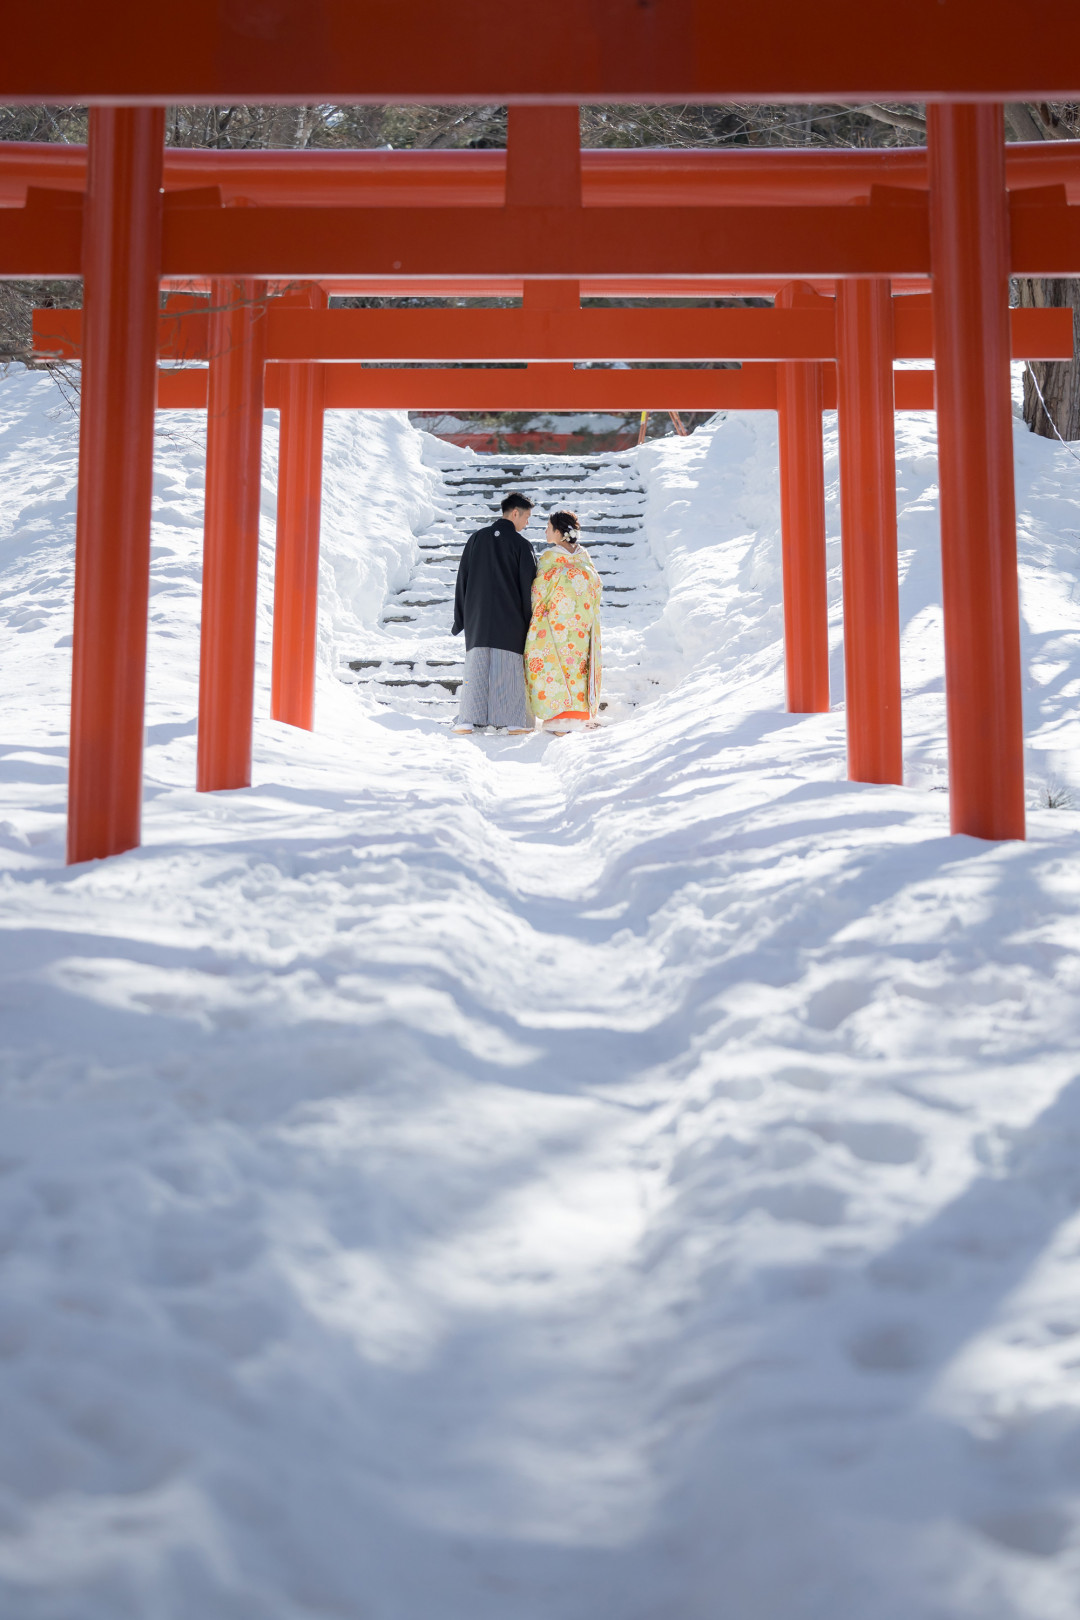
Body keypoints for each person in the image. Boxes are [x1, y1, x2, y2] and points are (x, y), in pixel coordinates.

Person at [451, 492, 537, 735]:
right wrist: (531, 621)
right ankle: (513, 722)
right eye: (527, 517)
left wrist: (461, 618)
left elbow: (462, 580)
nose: (527, 523)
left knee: (476, 667)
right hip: (510, 619)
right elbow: (528, 587)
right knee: (508, 669)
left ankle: (468, 720)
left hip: (477, 616)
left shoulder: (477, 538)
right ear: (515, 513)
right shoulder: (521, 545)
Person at [524, 510, 603, 733]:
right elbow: (595, 585)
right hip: (576, 625)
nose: (546, 531)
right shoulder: (583, 558)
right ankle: (572, 718)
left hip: (558, 623)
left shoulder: (550, 558)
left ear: (559, 533)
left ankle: (563, 719)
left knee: (564, 667)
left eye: (548, 528)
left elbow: (537, 590)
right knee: (573, 668)